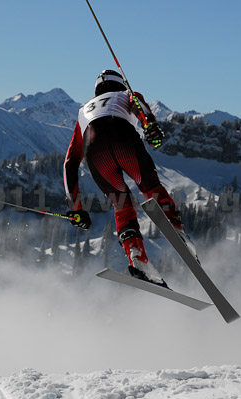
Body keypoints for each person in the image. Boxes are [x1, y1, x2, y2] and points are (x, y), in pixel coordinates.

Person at [63, 70, 194, 288]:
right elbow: (140, 109)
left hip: (95, 153)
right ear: (120, 85)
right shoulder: (127, 94)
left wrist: (75, 207)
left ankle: (137, 257)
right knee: (151, 187)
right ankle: (176, 231)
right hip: (123, 139)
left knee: (121, 203)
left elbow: (70, 162)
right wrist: (150, 125)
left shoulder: (82, 112)